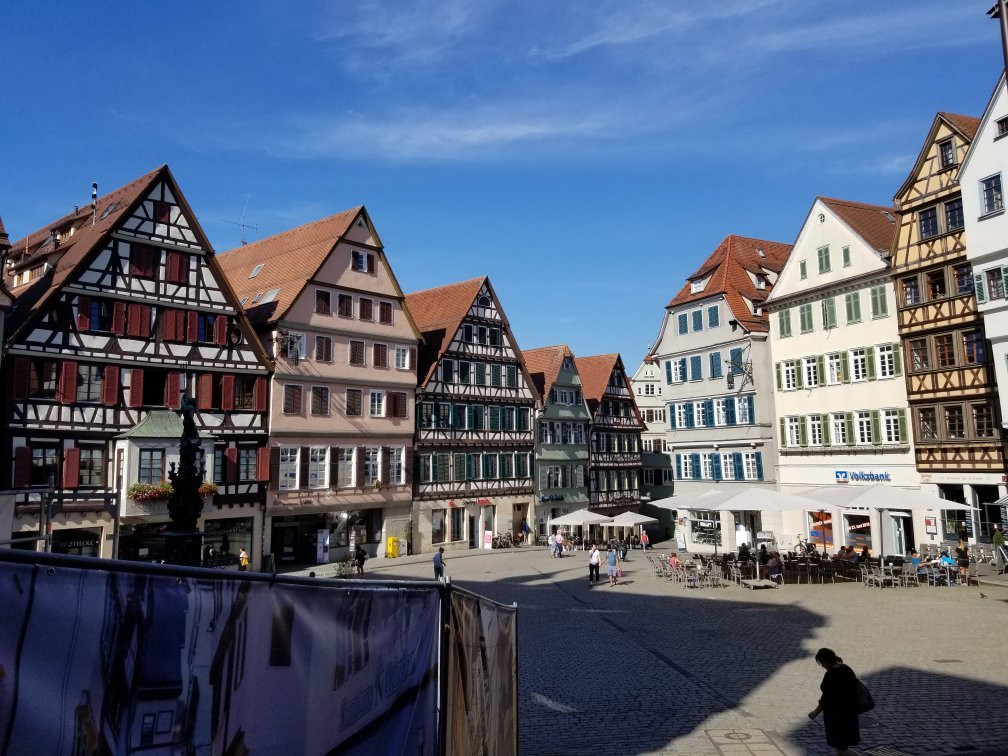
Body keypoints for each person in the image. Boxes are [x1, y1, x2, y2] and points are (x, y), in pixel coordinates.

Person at [807, 647, 861, 755]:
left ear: (826, 661)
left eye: (822, 663)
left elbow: (826, 698)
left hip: (836, 717)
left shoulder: (831, 674)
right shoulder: (846, 668)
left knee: (841, 750)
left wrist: (815, 712)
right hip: (849, 713)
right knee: (842, 746)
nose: (822, 666)